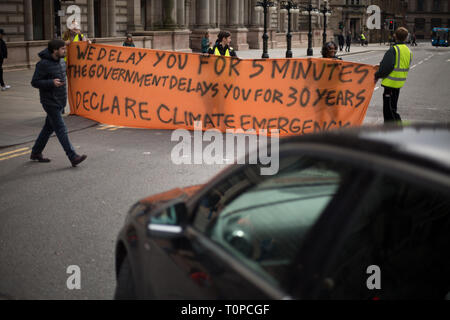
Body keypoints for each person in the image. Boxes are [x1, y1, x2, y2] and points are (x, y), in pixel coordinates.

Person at [30, 39, 87, 167]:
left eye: (65, 49)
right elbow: (34, 82)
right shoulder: (43, 64)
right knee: (61, 129)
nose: (65, 51)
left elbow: (75, 50)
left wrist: (85, 43)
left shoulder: (61, 61)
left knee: (48, 128)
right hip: (50, 102)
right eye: (62, 49)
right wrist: (51, 83)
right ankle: (73, 157)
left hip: (60, 101)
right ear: (55, 50)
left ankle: (36, 152)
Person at [374, 27, 412, 123]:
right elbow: (400, 64)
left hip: (390, 84)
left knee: (388, 111)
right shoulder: (408, 51)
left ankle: (395, 128)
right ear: (406, 37)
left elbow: (387, 67)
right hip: (399, 83)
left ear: (395, 36)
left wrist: (377, 75)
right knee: (393, 107)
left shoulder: (393, 50)